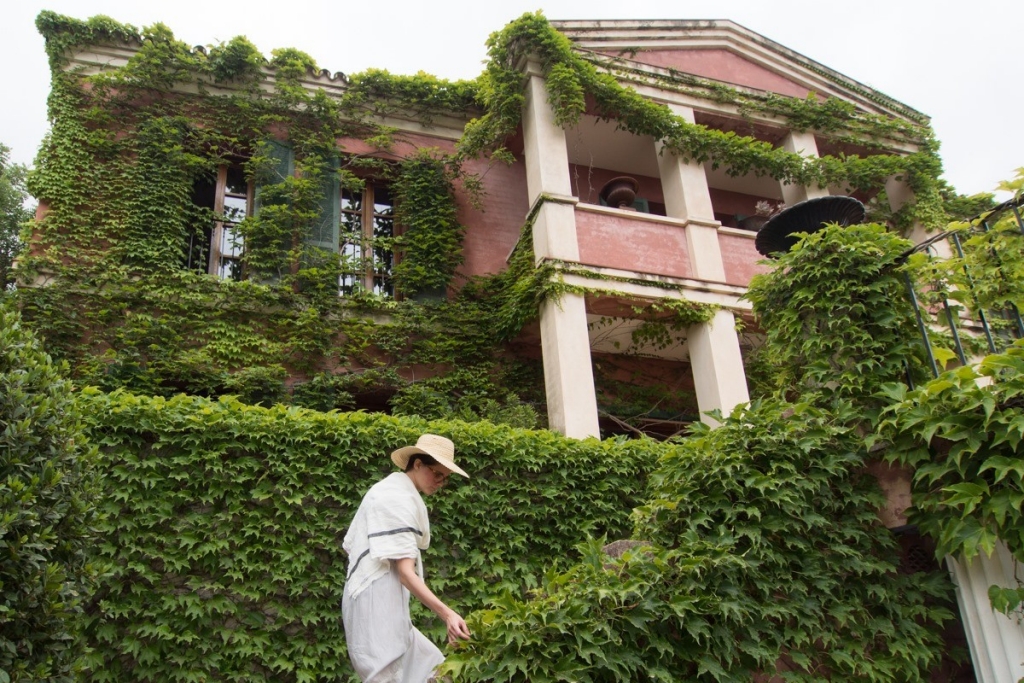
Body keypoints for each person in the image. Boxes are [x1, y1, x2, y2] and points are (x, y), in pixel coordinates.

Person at [342, 434, 471, 683]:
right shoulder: (396, 497)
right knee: (388, 676)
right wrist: (448, 614)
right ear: (418, 464)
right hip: (376, 605)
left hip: (382, 602)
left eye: (445, 478)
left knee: (436, 669)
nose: (440, 483)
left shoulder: (394, 491)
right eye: (437, 474)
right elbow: (405, 573)